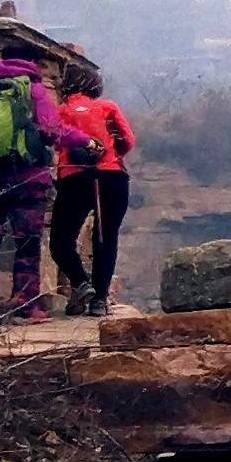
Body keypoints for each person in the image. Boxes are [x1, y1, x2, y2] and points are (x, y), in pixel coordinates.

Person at [0, 39, 69, 317]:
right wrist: (84, 142)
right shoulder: (35, 91)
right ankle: (25, 304)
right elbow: (52, 131)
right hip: (29, 180)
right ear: (32, 63)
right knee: (27, 242)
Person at [45, 60, 137, 316]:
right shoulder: (108, 107)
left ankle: (80, 282)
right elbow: (128, 140)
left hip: (74, 177)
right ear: (95, 85)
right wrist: (112, 155)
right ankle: (99, 299)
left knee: (61, 240)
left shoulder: (60, 112)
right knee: (105, 238)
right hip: (112, 177)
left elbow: (52, 138)